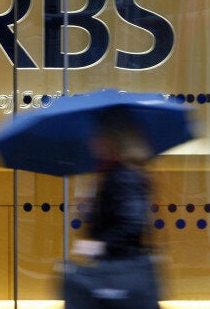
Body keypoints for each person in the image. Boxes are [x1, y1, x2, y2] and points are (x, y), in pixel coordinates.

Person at [64, 111, 161, 309]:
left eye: (97, 138)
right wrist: (92, 211)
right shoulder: (112, 174)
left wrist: (99, 246)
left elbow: (131, 224)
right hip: (116, 271)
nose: (92, 143)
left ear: (112, 142)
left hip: (121, 272)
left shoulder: (125, 176)